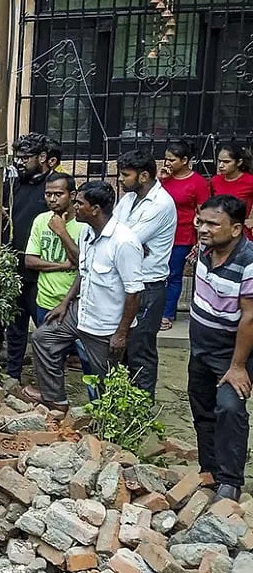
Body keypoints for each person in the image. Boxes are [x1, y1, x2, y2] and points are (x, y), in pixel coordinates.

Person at [25, 181, 144, 410]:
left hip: (105, 326)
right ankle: (55, 400)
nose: (75, 206)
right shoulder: (88, 232)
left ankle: (105, 426)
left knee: (104, 381)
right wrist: (65, 303)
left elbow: (135, 293)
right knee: (43, 339)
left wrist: (121, 333)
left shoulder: (124, 242)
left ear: (95, 209)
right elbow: (84, 270)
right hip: (81, 312)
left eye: (80, 203)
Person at [187, 194, 253, 503]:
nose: (203, 229)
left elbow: (250, 317)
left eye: (214, 224)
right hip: (201, 347)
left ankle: (230, 482)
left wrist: (237, 366)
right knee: (202, 406)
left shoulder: (248, 261)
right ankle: (209, 470)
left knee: (229, 408)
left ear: (236, 229)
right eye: (201, 222)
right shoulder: (205, 249)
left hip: (232, 353)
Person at [114, 149, 176, 395]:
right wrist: (130, 243)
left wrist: (128, 242)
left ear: (144, 176)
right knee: (121, 348)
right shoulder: (129, 198)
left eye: (125, 175)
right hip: (125, 282)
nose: (121, 179)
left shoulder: (161, 203)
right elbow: (112, 232)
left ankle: (142, 406)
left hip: (148, 286)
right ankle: (123, 402)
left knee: (140, 350)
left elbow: (124, 240)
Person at [22, 172, 89, 386]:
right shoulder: (41, 220)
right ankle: (53, 398)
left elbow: (83, 264)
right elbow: (30, 261)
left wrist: (62, 232)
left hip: (77, 304)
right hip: (46, 301)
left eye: (58, 194)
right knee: (49, 356)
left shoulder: (84, 225)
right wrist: (63, 266)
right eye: (48, 194)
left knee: (87, 357)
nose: (52, 199)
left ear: (72, 195)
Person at [2, 133, 54, 380]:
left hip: (42, 272)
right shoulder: (12, 185)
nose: (19, 162)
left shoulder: (53, 188)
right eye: (17, 157)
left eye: (25, 158)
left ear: (42, 157)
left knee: (45, 330)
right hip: (14, 269)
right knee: (15, 328)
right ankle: (13, 376)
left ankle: (48, 382)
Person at [161, 140, 211, 330]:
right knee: (157, 275)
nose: (167, 163)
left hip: (182, 235)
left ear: (185, 160)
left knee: (174, 275)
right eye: (166, 159)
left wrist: (199, 241)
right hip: (161, 234)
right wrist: (160, 180)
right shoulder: (165, 178)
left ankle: (167, 313)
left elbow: (202, 212)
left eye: (172, 160)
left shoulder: (197, 182)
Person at [211, 143, 253, 239]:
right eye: (219, 161)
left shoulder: (250, 181)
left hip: (241, 233)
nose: (221, 165)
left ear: (239, 162)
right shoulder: (215, 180)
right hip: (218, 231)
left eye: (226, 162)